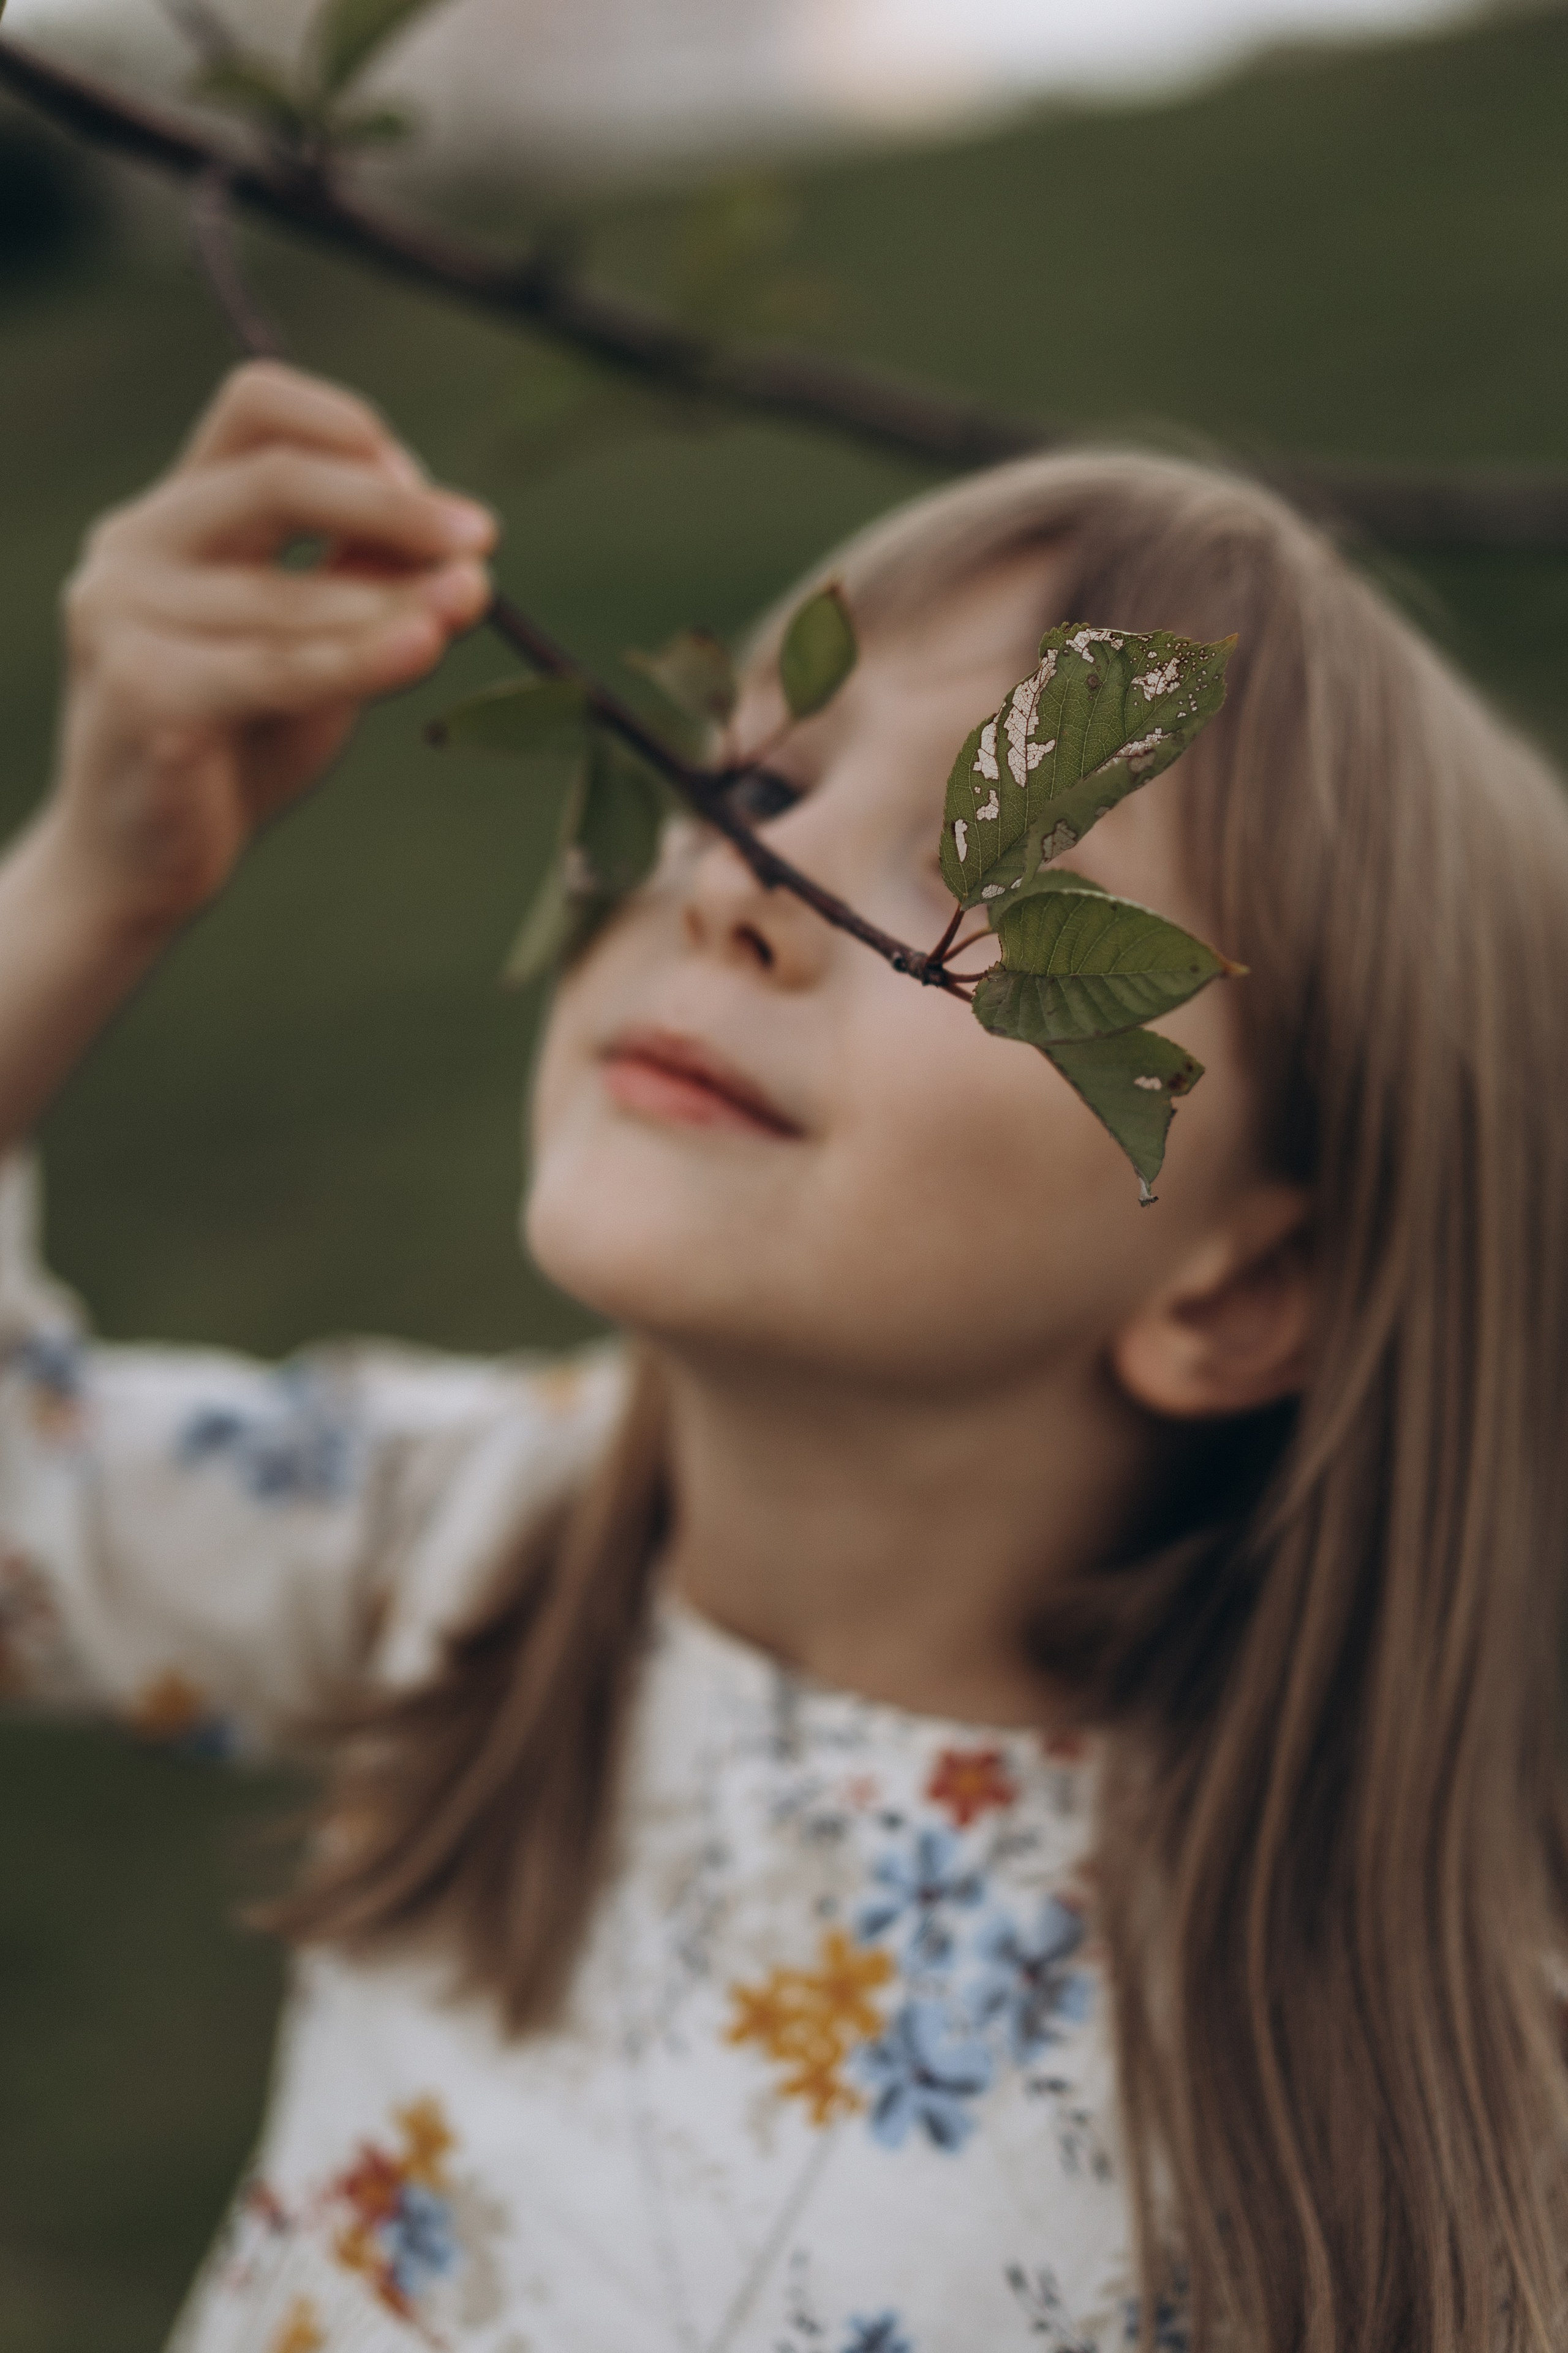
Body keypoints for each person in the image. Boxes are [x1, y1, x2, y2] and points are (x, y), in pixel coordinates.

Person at [1, 360, 1564, 2353]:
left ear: (1242, 1293)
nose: (752, 888)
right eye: (757, 784)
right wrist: (93, 879)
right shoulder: (465, 1537)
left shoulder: (1384, 2107)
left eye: (1003, 888)